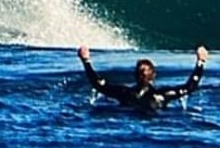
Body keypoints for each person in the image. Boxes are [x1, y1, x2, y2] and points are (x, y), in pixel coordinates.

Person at [77, 44, 209, 112]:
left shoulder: (124, 93)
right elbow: (190, 87)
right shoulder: (163, 95)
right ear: (154, 75)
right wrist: (200, 62)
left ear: (134, 75)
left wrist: (86, 61)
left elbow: (98, 84)